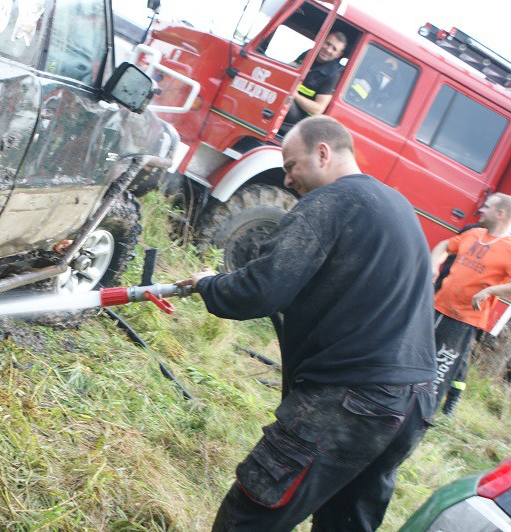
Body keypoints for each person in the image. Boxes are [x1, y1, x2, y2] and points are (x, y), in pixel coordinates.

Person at [179, 116, 436, 531]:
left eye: (292, 164)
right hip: (413, 403)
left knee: (250, 514)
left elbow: (260, 291)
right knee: (345, 521)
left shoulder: (331, 202)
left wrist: (210, 284)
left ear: (323, 153)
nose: (287, 178)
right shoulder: (395, 205)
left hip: (352, 400)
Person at [429, 193, 511, 415]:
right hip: (437, 305)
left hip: (463, 320)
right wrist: (434, 264)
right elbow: (444, 246)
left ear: (500, 214)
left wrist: (492, 290)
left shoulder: (508, 249)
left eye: (487, 207)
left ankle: (422, 419)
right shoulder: (473, 233)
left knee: (439, 372)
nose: (480, 210)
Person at [282, 32, 347, 130]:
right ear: (322, 40)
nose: (328, 49)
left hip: (301, 119)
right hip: (290, 101)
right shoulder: (309, 54)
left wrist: (294, 95)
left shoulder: (333, 74)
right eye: (328, 44)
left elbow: (318, 109)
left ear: (339, 54)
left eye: (334, 49)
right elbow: (292, 67)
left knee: (284, 100)